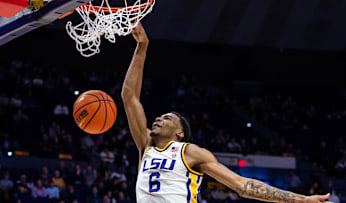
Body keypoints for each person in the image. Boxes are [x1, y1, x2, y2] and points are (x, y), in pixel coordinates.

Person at [121, 23, 333, 203]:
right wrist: (142, 47)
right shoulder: (145, 144)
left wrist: (301, 200)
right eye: (160, 116)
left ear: (179, 133)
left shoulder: (189, 152)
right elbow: (130, 97)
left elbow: (242, 185)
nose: (158, 118)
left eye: (167, 118)